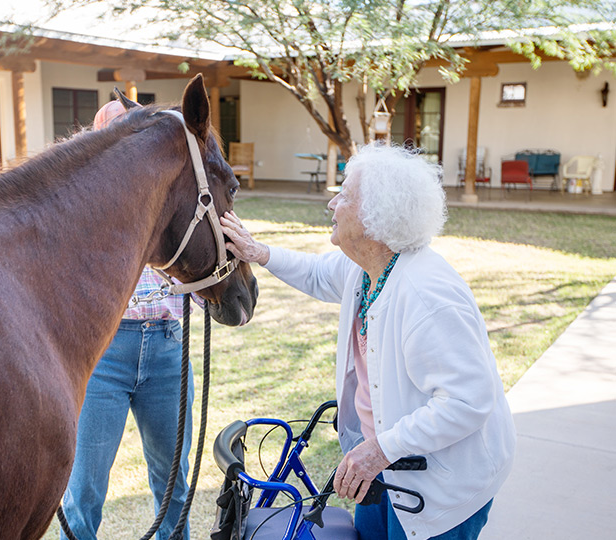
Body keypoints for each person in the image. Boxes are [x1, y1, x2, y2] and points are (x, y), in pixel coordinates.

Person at [220, 144, 516, 540]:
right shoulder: (368, 268)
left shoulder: (427, 295)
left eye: (344, 195)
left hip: (440, 485)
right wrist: (260, 252)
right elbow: (317, 273)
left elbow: (467, 402)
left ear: (375, 217)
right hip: (384, 468)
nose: (331, 203)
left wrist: (380, 450)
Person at [60, 100, 194, 540]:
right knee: (83, 494)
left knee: (174, 486)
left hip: (169, 350)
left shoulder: (169, 190)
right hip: (105, 356)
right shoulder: (77, 198)